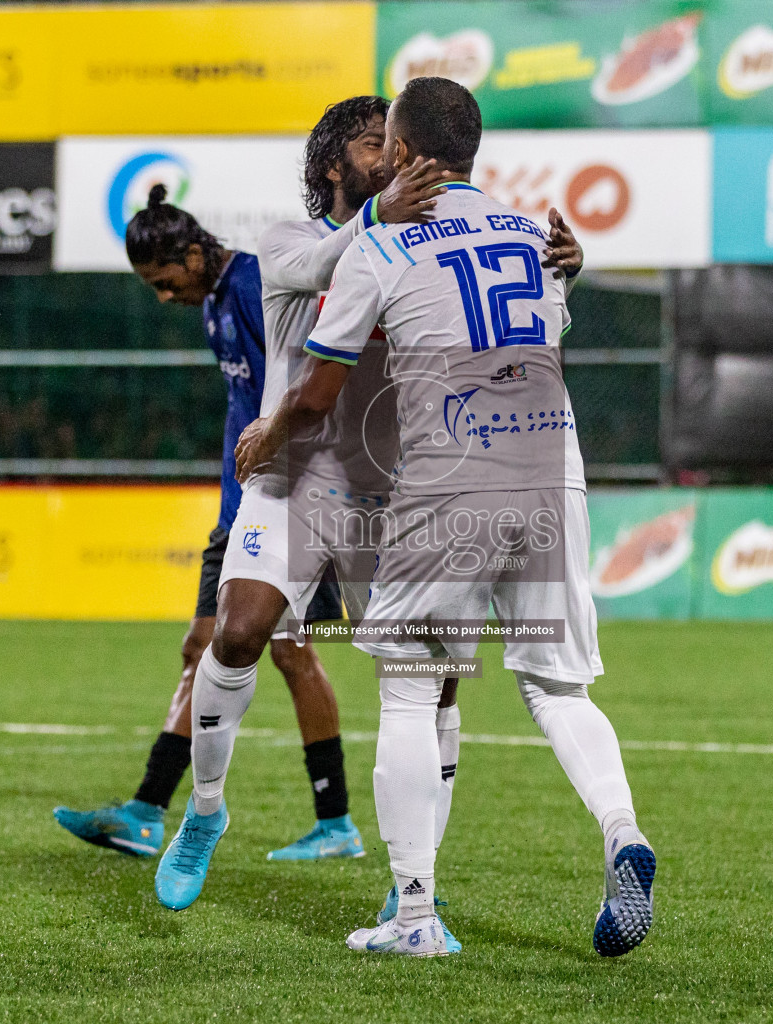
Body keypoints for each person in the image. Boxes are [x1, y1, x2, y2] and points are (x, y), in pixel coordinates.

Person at [235, 77, 651, 959]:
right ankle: (623, 831)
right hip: (554, 474)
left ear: (403, 144)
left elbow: (318, 389)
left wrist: (270, 433)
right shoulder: (535, 233)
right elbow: (546, 334)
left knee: (410, 687)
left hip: (452, 483)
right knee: (557, 686)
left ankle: (416, 916)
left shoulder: (381, 247)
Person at [153, 94, 588, 929]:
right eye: (368, 143)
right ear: (331, 166)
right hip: (297, 477)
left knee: (435, 685)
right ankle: (205, 810)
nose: (388, 152)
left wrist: (565, 260)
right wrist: (381, 220)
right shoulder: (288, 242)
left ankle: (411, 880)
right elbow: (322, 273)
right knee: (238, 633)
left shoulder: (421, 241)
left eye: (391, 139)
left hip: (400, 490)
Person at [51, 190, 359, 861]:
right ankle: (151, 810)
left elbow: (306, 377)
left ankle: (324, 822)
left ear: (194, 253)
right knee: (217, 648)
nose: (165, 297)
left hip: (282, 503)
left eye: (167, 281)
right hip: (243, 505)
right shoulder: (217, 298)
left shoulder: (252, 284)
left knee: (272, 648)